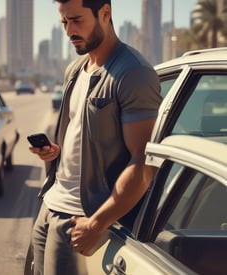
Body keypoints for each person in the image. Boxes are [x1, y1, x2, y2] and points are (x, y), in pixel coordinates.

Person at [28, 0, 162, 274]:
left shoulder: (133, 73)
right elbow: (84, 139)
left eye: (77, 20)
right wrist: (56, 153)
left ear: (105, 14)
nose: (69, 31)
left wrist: (97, 223)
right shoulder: (75, 70)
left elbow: (143, 163)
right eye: (64, 22)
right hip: (49, 207)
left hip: (79, 219)